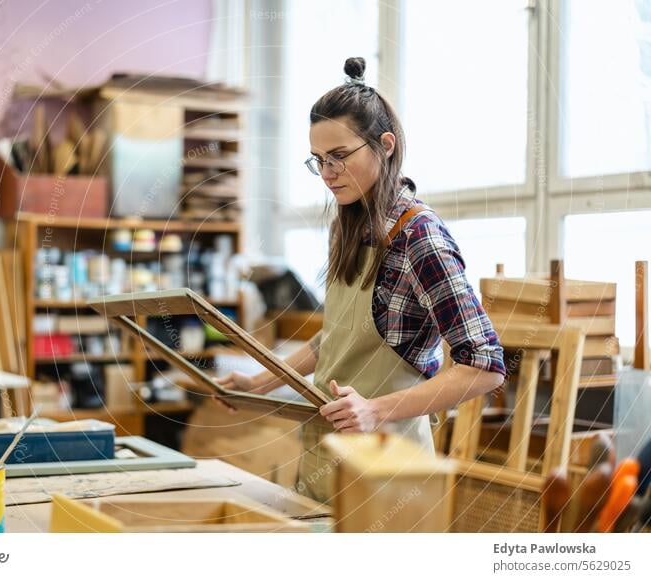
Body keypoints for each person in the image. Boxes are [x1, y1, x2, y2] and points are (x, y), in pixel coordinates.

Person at [216, 57, 506, 504]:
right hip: (324, 457)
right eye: (318, 161)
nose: (328, 173)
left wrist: (374, 411)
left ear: (385, 145)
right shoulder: (348, 227)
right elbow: (336, 340)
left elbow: (484, 366)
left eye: (339, 156)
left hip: (388, 473)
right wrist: (260, 383)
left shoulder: (419, 237)